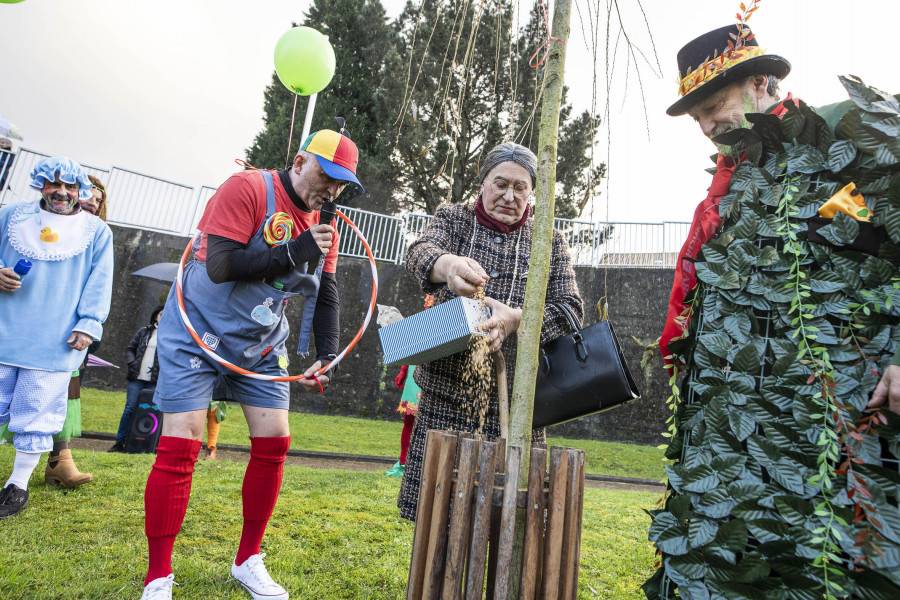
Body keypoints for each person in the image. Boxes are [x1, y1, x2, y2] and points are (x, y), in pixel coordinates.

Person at [649, 25, 900, 598]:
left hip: (836, 423)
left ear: (764, 82)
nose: (708, 127)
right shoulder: (727, 185)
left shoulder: (844, 130)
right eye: (699, 120)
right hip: (732, 438)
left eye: (714, 106)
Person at [139, 128, 362, 600]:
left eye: (343, 185)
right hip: (197, 328)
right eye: (327, 176)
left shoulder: (327, 227)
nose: (332, 191)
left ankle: (248, 560)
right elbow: (221, 265)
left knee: (276, 440)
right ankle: (158, 577)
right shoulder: (248, 188)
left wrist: (328, 352)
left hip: (260, 342)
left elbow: (328, 295)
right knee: (182, 442)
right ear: (300, 162)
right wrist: (296, 250)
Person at [397, 141, 583, 521]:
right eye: (500, 183)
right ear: (483, 183)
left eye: (520, 187)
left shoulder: (548, 240)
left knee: (503, 516)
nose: (509, 195)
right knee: (437, 516)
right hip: (445, 398)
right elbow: (419, 252)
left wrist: (517, 319)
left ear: (532, 193)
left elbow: (570, 310)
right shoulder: (454, 219)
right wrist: (447, 267)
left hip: (516, 404)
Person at [0, 156, 113, 519]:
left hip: (56, 340)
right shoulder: (10, 216)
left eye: (70, 187)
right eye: (53, 184)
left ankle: (17, 486)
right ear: (40, 185)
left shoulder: (96, 232)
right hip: (5, 329)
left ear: (80, 191)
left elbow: (99, 282)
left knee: (38, 412)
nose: (61, 193)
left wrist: (88, 324)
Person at [42, 175, 112, 485]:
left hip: (72, 331)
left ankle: (60, 461)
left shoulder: (98, 240)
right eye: (88, 195)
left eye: (99, 201)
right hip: (32, 324)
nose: (92, 203)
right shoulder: (38, 228)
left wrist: (88, 327)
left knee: (66, 394)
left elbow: (98, 287)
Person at [109, 305, 163, 453]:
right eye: (161, 314)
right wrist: (132, 363)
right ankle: (120, 443)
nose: (163, 317)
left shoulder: (170, 336)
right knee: (130, 409)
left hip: (154, 381)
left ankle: (145, 445)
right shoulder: (144, 332)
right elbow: (130, 349)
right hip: (136, 378)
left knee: (151, 412)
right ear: (156, 316)